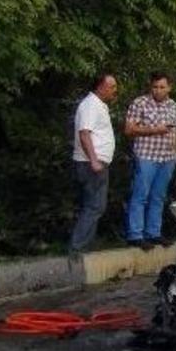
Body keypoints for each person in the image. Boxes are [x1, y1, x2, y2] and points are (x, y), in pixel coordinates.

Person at [123, 72, 176, 249]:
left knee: (158, 196)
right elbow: (129, 129)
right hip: (146, 156)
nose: (158, 91)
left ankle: (154, 233)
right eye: (155, 87)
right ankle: (135, 235)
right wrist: (155, 130)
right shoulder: (140, 103)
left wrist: (175, 152)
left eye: (162, 87)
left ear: (169, 87)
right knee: (140, 195)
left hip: (167, 158)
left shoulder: (173, 105)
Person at [69, 72, 119, 254]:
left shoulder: (98, 105)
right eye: (112, 86)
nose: (115, 90)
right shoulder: (91, 105)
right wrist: (94, 160)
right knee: (95, 205)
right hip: (91, 164)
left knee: (95, 205)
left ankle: (85, 245)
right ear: (100, 87)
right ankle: (78, 247)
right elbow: (84, 133)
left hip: (95, 162)